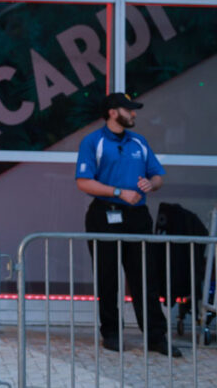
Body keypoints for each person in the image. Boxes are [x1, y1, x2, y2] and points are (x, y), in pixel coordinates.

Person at [75, 92, 182, 356]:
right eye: (129, 109)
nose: (134, 114)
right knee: (108, 276)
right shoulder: (93, 142)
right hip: (104, 214)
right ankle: (111, 333)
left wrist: (151, 184)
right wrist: (117, 192)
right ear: (113, 112)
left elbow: (157, 176)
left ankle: (157, 337)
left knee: (145, 277)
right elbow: (83, 182)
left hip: (137, 216)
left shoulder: (139, 141)